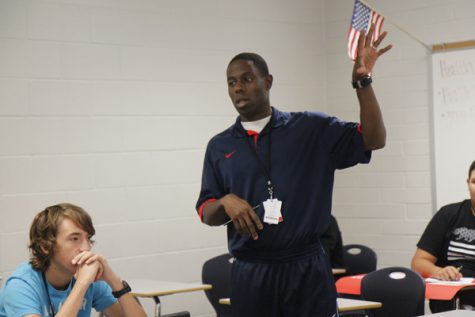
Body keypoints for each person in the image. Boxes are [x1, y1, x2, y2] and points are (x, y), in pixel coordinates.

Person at [196, 24, 391, 317]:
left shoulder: (311, 128)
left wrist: (362, 83)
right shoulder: (219, 146)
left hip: (306, 269)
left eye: (247, 79)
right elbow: (206, 211)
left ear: (268, 81)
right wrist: (224, 201)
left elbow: (374, 139)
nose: (238, 87)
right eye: (231, 81)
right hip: (251, 272)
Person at [0, 203, 147, 317]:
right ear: (45, 246)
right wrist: (82, 284)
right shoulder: (21, 285)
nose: (86, 248)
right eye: (75, 238)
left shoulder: (91, 279)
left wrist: (114, 281)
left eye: (88, 238)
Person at [411, 160, 475, 312]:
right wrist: (439, 271)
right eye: (474, 182)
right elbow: (418, 263)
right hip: (449, 303)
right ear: (468, 184)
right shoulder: (448, 214)